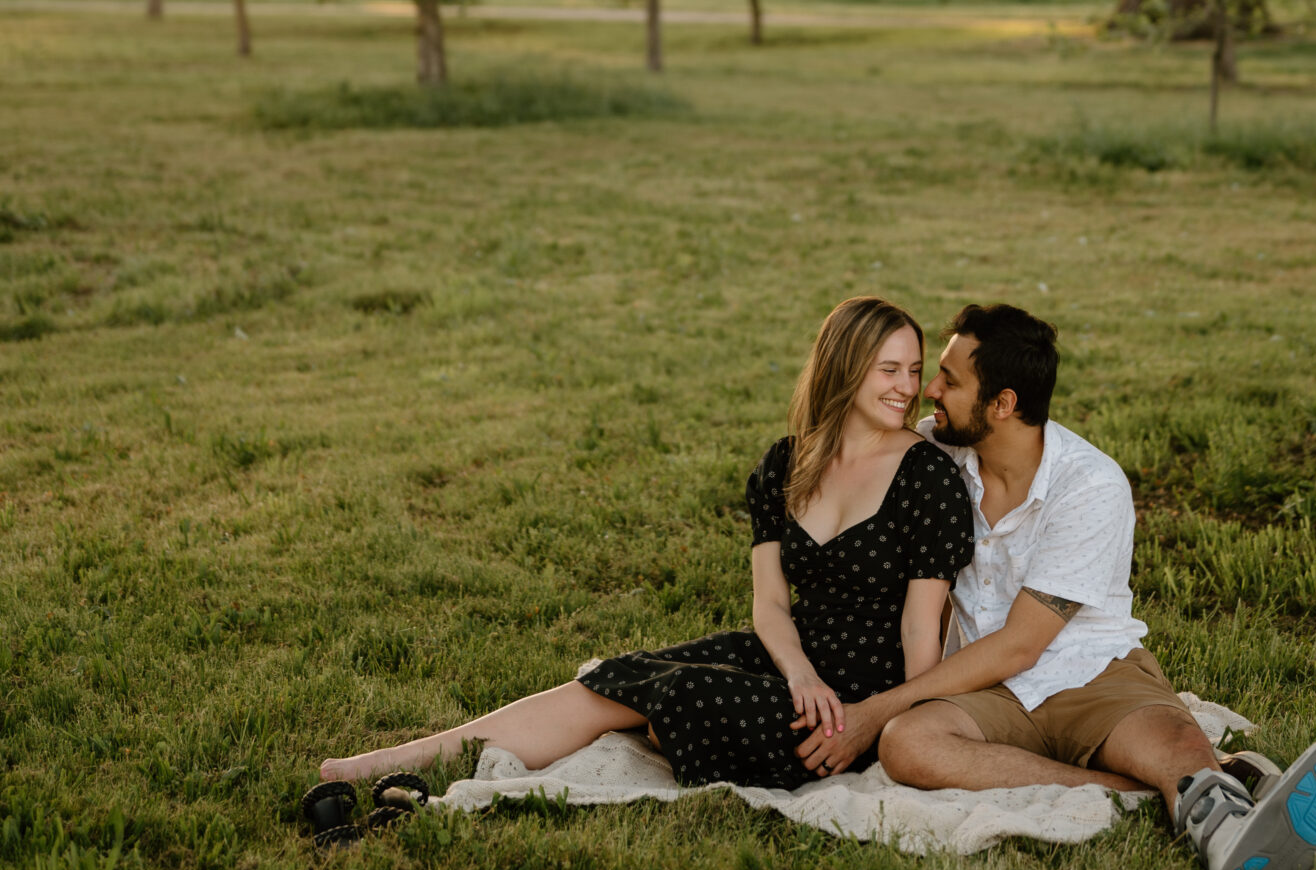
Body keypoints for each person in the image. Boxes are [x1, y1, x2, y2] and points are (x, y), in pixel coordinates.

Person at [792, 304, 1316, 870]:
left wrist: (877, 708)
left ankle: (1223, 826)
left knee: (1174, 742)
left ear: (1002, 405)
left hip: (1090, 673)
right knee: (909, 746)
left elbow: (1023, 647)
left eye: (950, 380)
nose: (931, 392)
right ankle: (1152, 792)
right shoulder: (933, 454)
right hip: (980, 687)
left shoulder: (1090, 485)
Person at [318, 295, 973, 794]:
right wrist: (797, 670)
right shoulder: (786, 463)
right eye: (888, 369)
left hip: (860, 695)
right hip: (791, 657)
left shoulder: (927, 478)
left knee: (680, 698)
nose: (906, 387)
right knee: (622, 674)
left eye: (913, 370)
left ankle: (689, 724)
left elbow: (922, 630)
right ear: (843, 370)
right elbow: (771, 605)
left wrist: (891, 731)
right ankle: (388, 760)